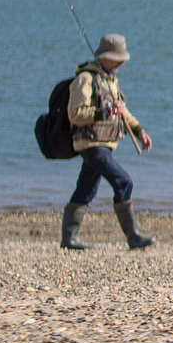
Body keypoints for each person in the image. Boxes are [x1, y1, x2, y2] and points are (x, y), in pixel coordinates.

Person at [62, 33, 155, 251]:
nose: (122, 63)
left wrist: (139, 131)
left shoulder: (110, 80)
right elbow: (75, 114)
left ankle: (69, 238)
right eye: (118, 59)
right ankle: (133, 237)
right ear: (106, 57)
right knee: (124, 182)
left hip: (105, 144)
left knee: (86, 190)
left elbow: (122, 111)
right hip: (90, 143)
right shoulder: (85, 79)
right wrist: (103, 112)